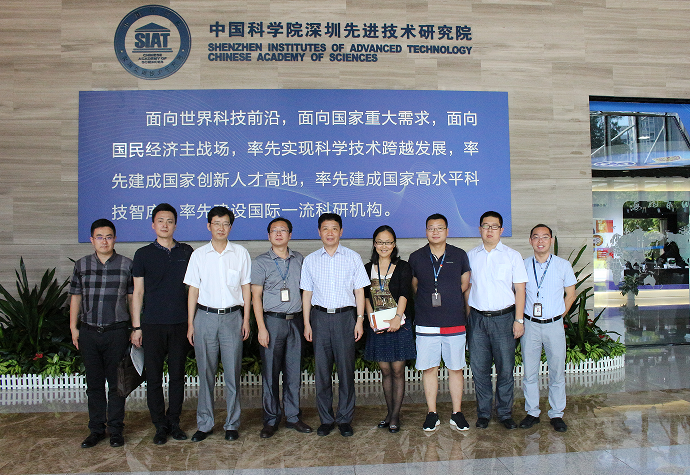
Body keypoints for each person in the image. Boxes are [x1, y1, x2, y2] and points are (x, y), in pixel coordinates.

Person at [183, 206, 251, 442]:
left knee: (232, 373)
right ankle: (205, 424)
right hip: (205, 317)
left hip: (233, 318)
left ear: (230, 227)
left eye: (225, 224)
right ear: (209, 226)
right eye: (216, 223)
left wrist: (246, 319)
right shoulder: (199, 255)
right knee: (206, 373)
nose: (221, 228)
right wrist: (191, 323)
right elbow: (193, 291)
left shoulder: (240, 253)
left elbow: (245, 288)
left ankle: (232, 423)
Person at [300, 213, 370, 437]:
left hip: (345, 318)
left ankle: (345, 419)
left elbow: (359, 291)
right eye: (325, 228)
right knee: (322, 372)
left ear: (341, 231)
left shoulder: (353, 257)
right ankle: (326, 419)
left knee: (346, 370)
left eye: (334, 228)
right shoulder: (310, 260)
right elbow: (307, 294)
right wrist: (307, 323)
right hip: (319, 318)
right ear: (319, 232)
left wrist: (360, 320)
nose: (330, 233)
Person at [130, 203, 193, 444]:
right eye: (160, 221)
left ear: (175, 225)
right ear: (153, 225)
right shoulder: (143, 254)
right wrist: (136, 327)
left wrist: (192, 323)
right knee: (154, 377)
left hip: (180, 323)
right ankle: (159, 425)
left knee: (177, 376)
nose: (165, 225)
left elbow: (194, 288)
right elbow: (137, 293)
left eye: (169, 221)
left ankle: (174, 422)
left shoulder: (187, 252)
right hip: (152, 324)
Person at [69, 218, 133, 448]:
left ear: (115, 239)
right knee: (94, 384)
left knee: (117, 385)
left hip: (117, 331)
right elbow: (76, 297)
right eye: (99, 237)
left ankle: (115, 430)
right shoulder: (81, 265)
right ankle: (96, 430)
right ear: (92, 240)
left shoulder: (127, 265)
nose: (104, 241)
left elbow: (132, 298)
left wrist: (135, 328)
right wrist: (73, 327)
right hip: (89, 332)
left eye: (108, 237)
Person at [465, 211, 528, 430]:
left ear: (501, 230)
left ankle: (504, 413)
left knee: (505, 369)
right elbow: (467, 289)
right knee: (479, 370)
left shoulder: (512, 256)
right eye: (485, 226)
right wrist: (467, 318)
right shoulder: (470, 256)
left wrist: (519, 320)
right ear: (479, 229)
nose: (489, 230)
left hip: (504, 319)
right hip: (477, 319)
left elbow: (520, 290)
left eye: (494, 226)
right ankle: (483, 413)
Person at [409, 214, 471, 432]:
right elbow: (414, 286)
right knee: (429, 368)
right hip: (426, 321)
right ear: (426, 231)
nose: (435, 232)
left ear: (447, 231)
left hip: (454, 320)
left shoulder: (459, 254)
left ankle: (457, 413)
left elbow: (465, 284)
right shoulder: (416, 257)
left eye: (440, 228)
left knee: (455, 368)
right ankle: (432, 413)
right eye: (431, 228)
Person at [251, 217, 312, 439]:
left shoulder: (300, 260)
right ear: (268, 236)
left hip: (295, 321)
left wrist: (306, 323)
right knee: (270, 373)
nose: (278, 234)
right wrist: (261, 327)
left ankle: (293, 416)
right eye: (274, 230)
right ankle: (271, 419)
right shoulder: (260, 262)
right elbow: (255, 297)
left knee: (293, 372)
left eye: (283, 230)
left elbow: (306, 292)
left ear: (290, 235)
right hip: (272, 322)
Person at [519, 224, 576, 433]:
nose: (540, 241)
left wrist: (559, 315)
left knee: (557, 372)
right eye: (536, 237)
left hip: (554, 326)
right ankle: (532, 412)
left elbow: (571, 294)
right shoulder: (523, 265)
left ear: (551, 240)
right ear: (530, 241)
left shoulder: (563, 265)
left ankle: (556, 413)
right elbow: (517, 293)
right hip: (530, 325)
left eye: (545, 237)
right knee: (530, 372)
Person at [363, 225, 416, 433]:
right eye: (380, 242)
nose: (383, 246)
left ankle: (395, 416)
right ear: (374, 244)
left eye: (388, 242)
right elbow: (365, 296)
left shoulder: (403, 266)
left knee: (397, 370)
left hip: (398, 324)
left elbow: (404, 293)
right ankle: (389, 412)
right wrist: (371, 318)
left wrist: (397, 317)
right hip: (378, 325)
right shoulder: (367, 268)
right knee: (385, 370)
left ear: (394, 245)